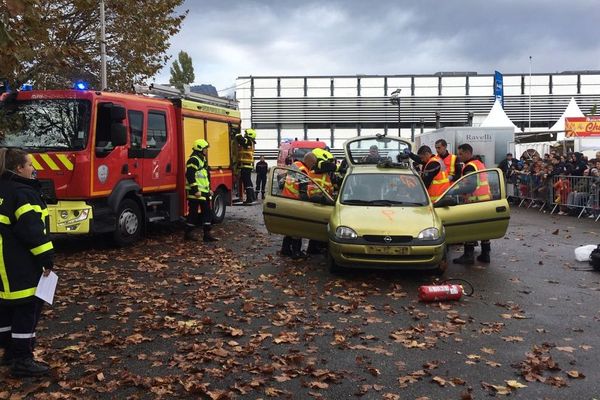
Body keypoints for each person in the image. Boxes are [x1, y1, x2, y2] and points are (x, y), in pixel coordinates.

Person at [0, 148, 54, 377]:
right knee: (26, 308)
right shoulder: (23, 193)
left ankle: (10, 352)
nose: (34, 169)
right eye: (30, 165)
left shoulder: (4, 189)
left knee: (5, 310)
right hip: (19, 263)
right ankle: (22, 360)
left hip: (4, 264)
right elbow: (32, 231)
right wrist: (46, 258)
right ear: (19, 168)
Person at [452, 143, 492, 265]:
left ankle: (468, 255)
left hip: (474, 201)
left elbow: (470, 186)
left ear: (468, 153)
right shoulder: (479, 164)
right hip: (485, 200)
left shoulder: (469, 167)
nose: (459, 157)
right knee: (485, 229)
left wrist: (455, 191)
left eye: (461, 154)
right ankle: (485, 254)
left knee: (469, 228)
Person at [281, 152, 317, 259]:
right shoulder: (303, 171)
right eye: (313, 163)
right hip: (295, 202)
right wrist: (314, 199)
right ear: (309, 161)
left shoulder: (295, 165)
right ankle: (296, 252)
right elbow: (303, 193)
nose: (313, 166)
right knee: (297, 228)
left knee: (289, 228)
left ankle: (285, 249)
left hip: (286, 199)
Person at [184, 139, 218, 242]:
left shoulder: (202, 160)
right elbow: (189, 175)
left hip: (203, 192)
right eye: (205, 149)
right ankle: (188, 234)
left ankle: (206, 235)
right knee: (193, 214)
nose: (206, 151)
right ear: (200, 148)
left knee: (207, 213)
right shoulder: (193, 160)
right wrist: (195, 190)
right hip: (196, 193)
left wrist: (209, 189)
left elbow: (205, 177)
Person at [306, 149, 336, 254]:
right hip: (316, 203)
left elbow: (330, 188)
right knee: (316, 229)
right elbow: (311, 192)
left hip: (325, 204)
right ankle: (313, 249)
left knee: (322, 229)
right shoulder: (312, 173)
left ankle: (317, 248)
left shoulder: (325, 175)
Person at [235, 128, 257, 204]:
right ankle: (252, 197)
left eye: (246, 134)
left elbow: (241, 139)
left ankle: (250, 199)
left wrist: (237, 134)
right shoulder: (250, 142)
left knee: (246, 182)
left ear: (249, 135)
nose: (244, 135)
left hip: (246, 166)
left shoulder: (248, 141)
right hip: (246, 165)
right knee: (248, 182)